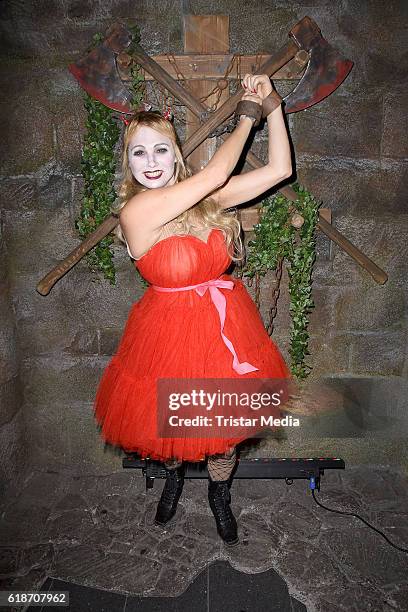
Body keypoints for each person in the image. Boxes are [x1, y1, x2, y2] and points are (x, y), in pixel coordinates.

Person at [94, 73, 292, 546]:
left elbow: (281, 170)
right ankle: (174, 479)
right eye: (138, 152)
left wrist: (272, 105)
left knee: (221, 433)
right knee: (172, 431)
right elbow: (215, 174)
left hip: (221, 330)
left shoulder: (205, 202)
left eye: (160, 149)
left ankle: (220, 497)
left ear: (175, 152)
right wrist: (246, 110)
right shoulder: (135, 214)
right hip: (167, 334)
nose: (150, 162)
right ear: (127, 163)